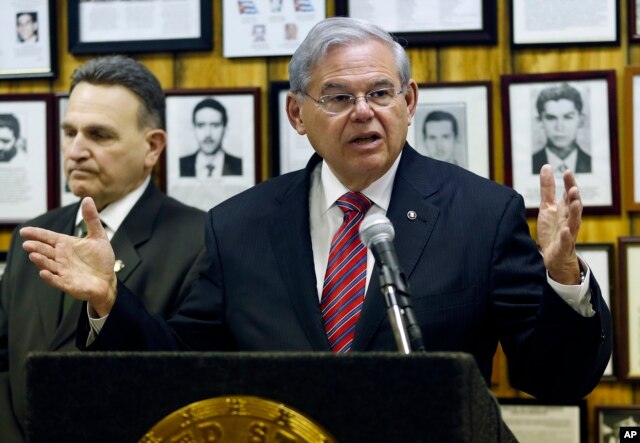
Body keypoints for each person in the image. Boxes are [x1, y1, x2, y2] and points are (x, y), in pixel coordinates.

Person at [21, 18, 611, 406]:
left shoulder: (481, 213)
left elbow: (555, 378)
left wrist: (562, 280)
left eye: (380, 93)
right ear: (298, 115)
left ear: (408, 104)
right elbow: (182, 369)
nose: (363, 112)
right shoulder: (239, 226)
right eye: (337, 97)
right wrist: (109, 302)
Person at [0, 55, 207, 443]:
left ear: (152, 147)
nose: (76, 150)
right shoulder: (35, 233)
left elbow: (189, 379)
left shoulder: (201, 241)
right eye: (69, 131)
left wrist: (108, 307)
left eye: (99, 135)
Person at [532, 83, 592, 175]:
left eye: (568, 117)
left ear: (581, 120)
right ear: (540, 121)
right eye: (551, 118)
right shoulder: (532, 164)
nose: (559, 127)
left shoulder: (591, 163)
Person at [179, 98, 242, 178]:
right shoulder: (180, 166)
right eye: (201, 125)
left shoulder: (240, 166)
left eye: (215, 125)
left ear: (225, 129)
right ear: (193, 128)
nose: (208, 134)